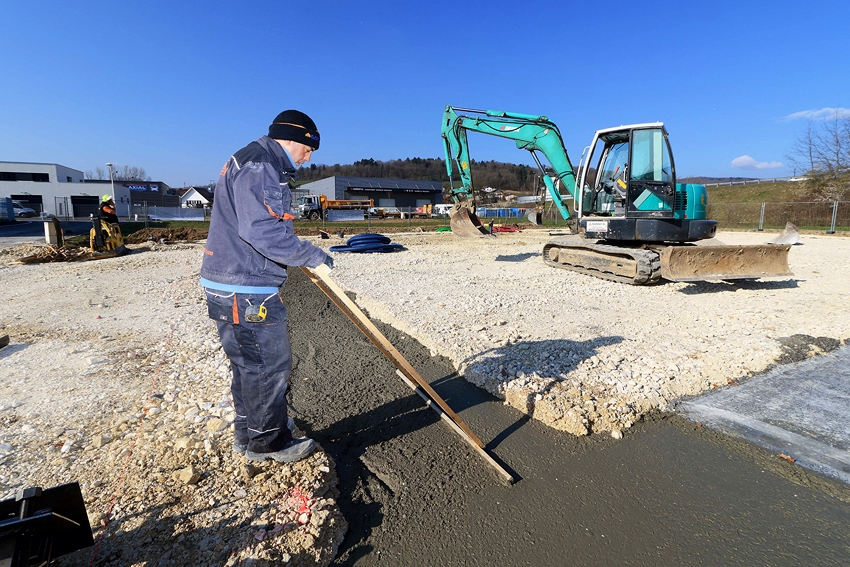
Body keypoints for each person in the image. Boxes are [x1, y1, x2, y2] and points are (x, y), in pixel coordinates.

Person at [200, 110, 333, 464]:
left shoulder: (247, 160)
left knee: (248, 365)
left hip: (229, 282)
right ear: (292, 139)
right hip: (246, 287)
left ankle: (252, 434)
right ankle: (269, 444)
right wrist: (311, 255)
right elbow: (261, 231)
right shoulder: (261, 167)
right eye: (308, 148)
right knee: (268, 367)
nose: (309, 157)